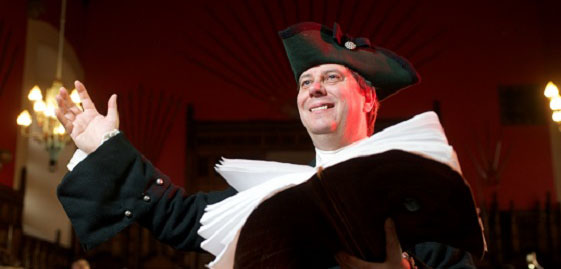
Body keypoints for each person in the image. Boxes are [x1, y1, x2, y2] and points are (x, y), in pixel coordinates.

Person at [55, 22, 479, 268]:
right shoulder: (268, 195)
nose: (314, 88)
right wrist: (105, 143)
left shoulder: (420, 192)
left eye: (332, 77)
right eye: (305, 82)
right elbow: (177, 216)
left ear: (368, 97)